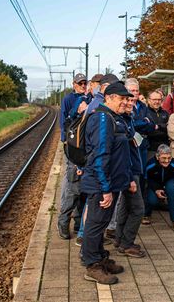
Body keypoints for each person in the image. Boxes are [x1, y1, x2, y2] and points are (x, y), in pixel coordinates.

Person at [80, 81, 133, 285]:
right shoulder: (102, 118)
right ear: (109, 98)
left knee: (100, 223)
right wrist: (105, 189)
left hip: (111, 183)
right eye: (121, 98)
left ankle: (100, 257)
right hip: (101, 184)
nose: (125, 102)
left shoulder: (112, 117)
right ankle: (92, 265)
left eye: (127, 98)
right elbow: (100, 156)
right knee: (95, 224)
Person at [57, 73, 89, 240]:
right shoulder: (69, 99)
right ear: (74, 84)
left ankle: (78, 223)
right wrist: (65, 142)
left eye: (85, 82)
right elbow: (65, 120)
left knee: (83, 190)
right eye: (80, 83)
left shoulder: (89, 98)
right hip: (73, 148)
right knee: (72, 188)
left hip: (85, 148)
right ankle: (63, 222)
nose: (83, 85)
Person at [115, 91, 146, 258]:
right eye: (126, 99)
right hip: (129, 171)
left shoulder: (128, 120)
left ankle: (120, 240)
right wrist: (130, 177)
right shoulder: (119, 121)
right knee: (138, 209)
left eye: (132, 100)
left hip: (133, 169)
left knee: (125, 207)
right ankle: (126, 243)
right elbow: (124, 152)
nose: (130, 103)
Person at [144, 145, 174, 231]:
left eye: (169, 158)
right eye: (163, 158)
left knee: (171, 192)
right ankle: (147, 215)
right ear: (157, 156)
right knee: (152, 201)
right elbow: (147, 178)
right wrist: (156, 189)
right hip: (155, 182)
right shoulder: (150, 164)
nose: (167, 161)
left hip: (170, 180)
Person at [146, 90, 170, 161]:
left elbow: (169, 128)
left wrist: (157, 126)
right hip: (150, 149)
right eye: (154, 99)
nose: (157, 102)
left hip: (165, 148)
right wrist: (163, 127)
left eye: (159, 99)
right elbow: (147, 129)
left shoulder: (165, 113)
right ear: (149, 100)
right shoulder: (145, 112)